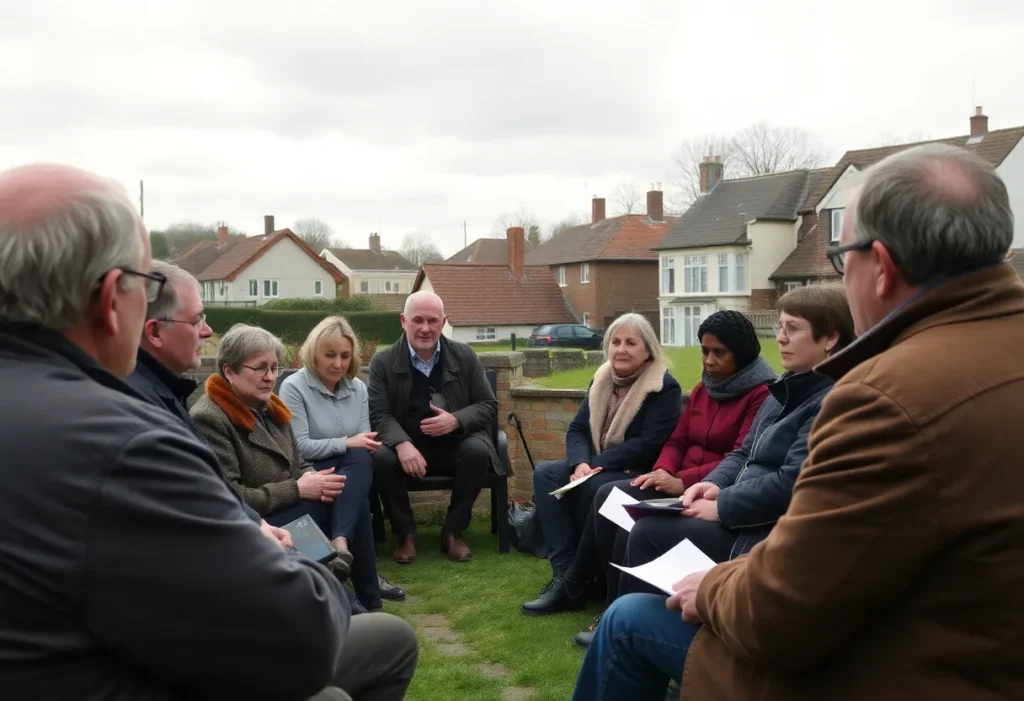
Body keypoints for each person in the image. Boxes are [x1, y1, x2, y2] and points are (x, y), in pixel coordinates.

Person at [584, 143, 1024, 701]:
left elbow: (784, 610)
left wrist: (713, 587)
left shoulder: (887, 398)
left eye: (843, 257)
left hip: (902, 668)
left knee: (628, 622)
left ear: (881, 267)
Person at [0, 163, 351, 700]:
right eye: (144, 285)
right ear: (111, 300)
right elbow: (303, 637)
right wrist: (310, 564)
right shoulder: (123, 442)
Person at [560, 310, 777, 643]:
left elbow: (740, 456)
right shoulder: (704, 389)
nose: (709, 360)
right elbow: (677, 440)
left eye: (719, 352)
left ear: (742, 353)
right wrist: (662, 469)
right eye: (705, 351)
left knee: (627, 513)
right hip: (675, 479)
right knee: (610, 496)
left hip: (708, 489)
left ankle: (609, 602)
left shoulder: (762, 395)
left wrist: (682, 481)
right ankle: (603, 595)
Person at [522, 313, 683, 615]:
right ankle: (564, 574)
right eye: (615, 342)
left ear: (648, 350)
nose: (621, 349)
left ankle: (585, 579)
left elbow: (649, 443)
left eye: (631, 343)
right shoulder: (602, 379)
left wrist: (594, 464)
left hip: (637, 470)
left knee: (594, 485)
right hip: (598, 463)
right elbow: (578, 429)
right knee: (546, 474)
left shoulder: (663, 387)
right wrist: (580, 462)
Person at [124, 260, 292, 544]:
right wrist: (261, 525)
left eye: (274, 368)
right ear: (154, 332)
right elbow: (197, 505)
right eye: (196, 320)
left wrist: (256, 522)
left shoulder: (166, 397)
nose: (206, 331)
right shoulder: (143, 410)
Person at [280, 316, 406, 605]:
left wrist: (353, 445)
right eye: (330, 355)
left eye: (345, 356)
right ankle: (368, 593)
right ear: (314, 353)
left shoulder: (358, 388)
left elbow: (365, 439)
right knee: (358, 497)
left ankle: (340, 548)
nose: (338, 364)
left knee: (360, 460)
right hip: (311, 470)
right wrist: (346, 443)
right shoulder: (293, 387)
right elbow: (299, 447)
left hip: (351, 467)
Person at [369, 291, 501, 564]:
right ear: (403, 321)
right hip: (406, 451)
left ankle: (453, 532)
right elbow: (379, 415)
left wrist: (456, 420)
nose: (425, 328)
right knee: (380, 457)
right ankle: (406, 534)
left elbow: (488, 405)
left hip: (453, 446)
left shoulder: (465, 356)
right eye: (417, 320)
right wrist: (402, 444)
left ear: (444, 322)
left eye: (432, 321)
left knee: (478, 452)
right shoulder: (382, 363)